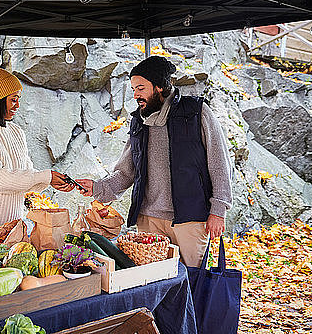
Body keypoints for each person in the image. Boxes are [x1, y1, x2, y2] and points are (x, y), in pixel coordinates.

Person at [76, 56, 232, 267]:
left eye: (141, 88)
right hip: (148, 219)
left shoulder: (196, 112)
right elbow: (126, 172)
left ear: (159, 87)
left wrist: (218, 211)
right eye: (133, 89)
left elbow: (219, 163)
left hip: (190, 219)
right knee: (153, 284)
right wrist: (97, 187)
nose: (135, 95)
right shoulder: (139, 121)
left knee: (191, 283)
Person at [0, 64, 73, 242]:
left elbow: (25, 176)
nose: (18, 105)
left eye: (18, 99)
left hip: (12, 233)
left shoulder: (16, 132)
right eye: (13, 99)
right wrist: (45, 176)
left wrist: (50, 181)